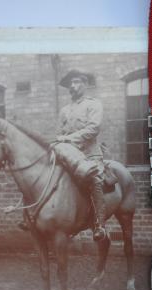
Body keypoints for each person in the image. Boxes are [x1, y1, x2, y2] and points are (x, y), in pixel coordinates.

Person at [55, 69, 107, 241]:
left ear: (85, 84)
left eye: (76, 82)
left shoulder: (94, 104)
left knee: (94, 180)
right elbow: (61, 131)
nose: (72, 86)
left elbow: (93, 128)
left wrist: (68, 139)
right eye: (70, 83)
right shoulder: (64, 110)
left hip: (89, 155)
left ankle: (99, 224)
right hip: (69, 155)